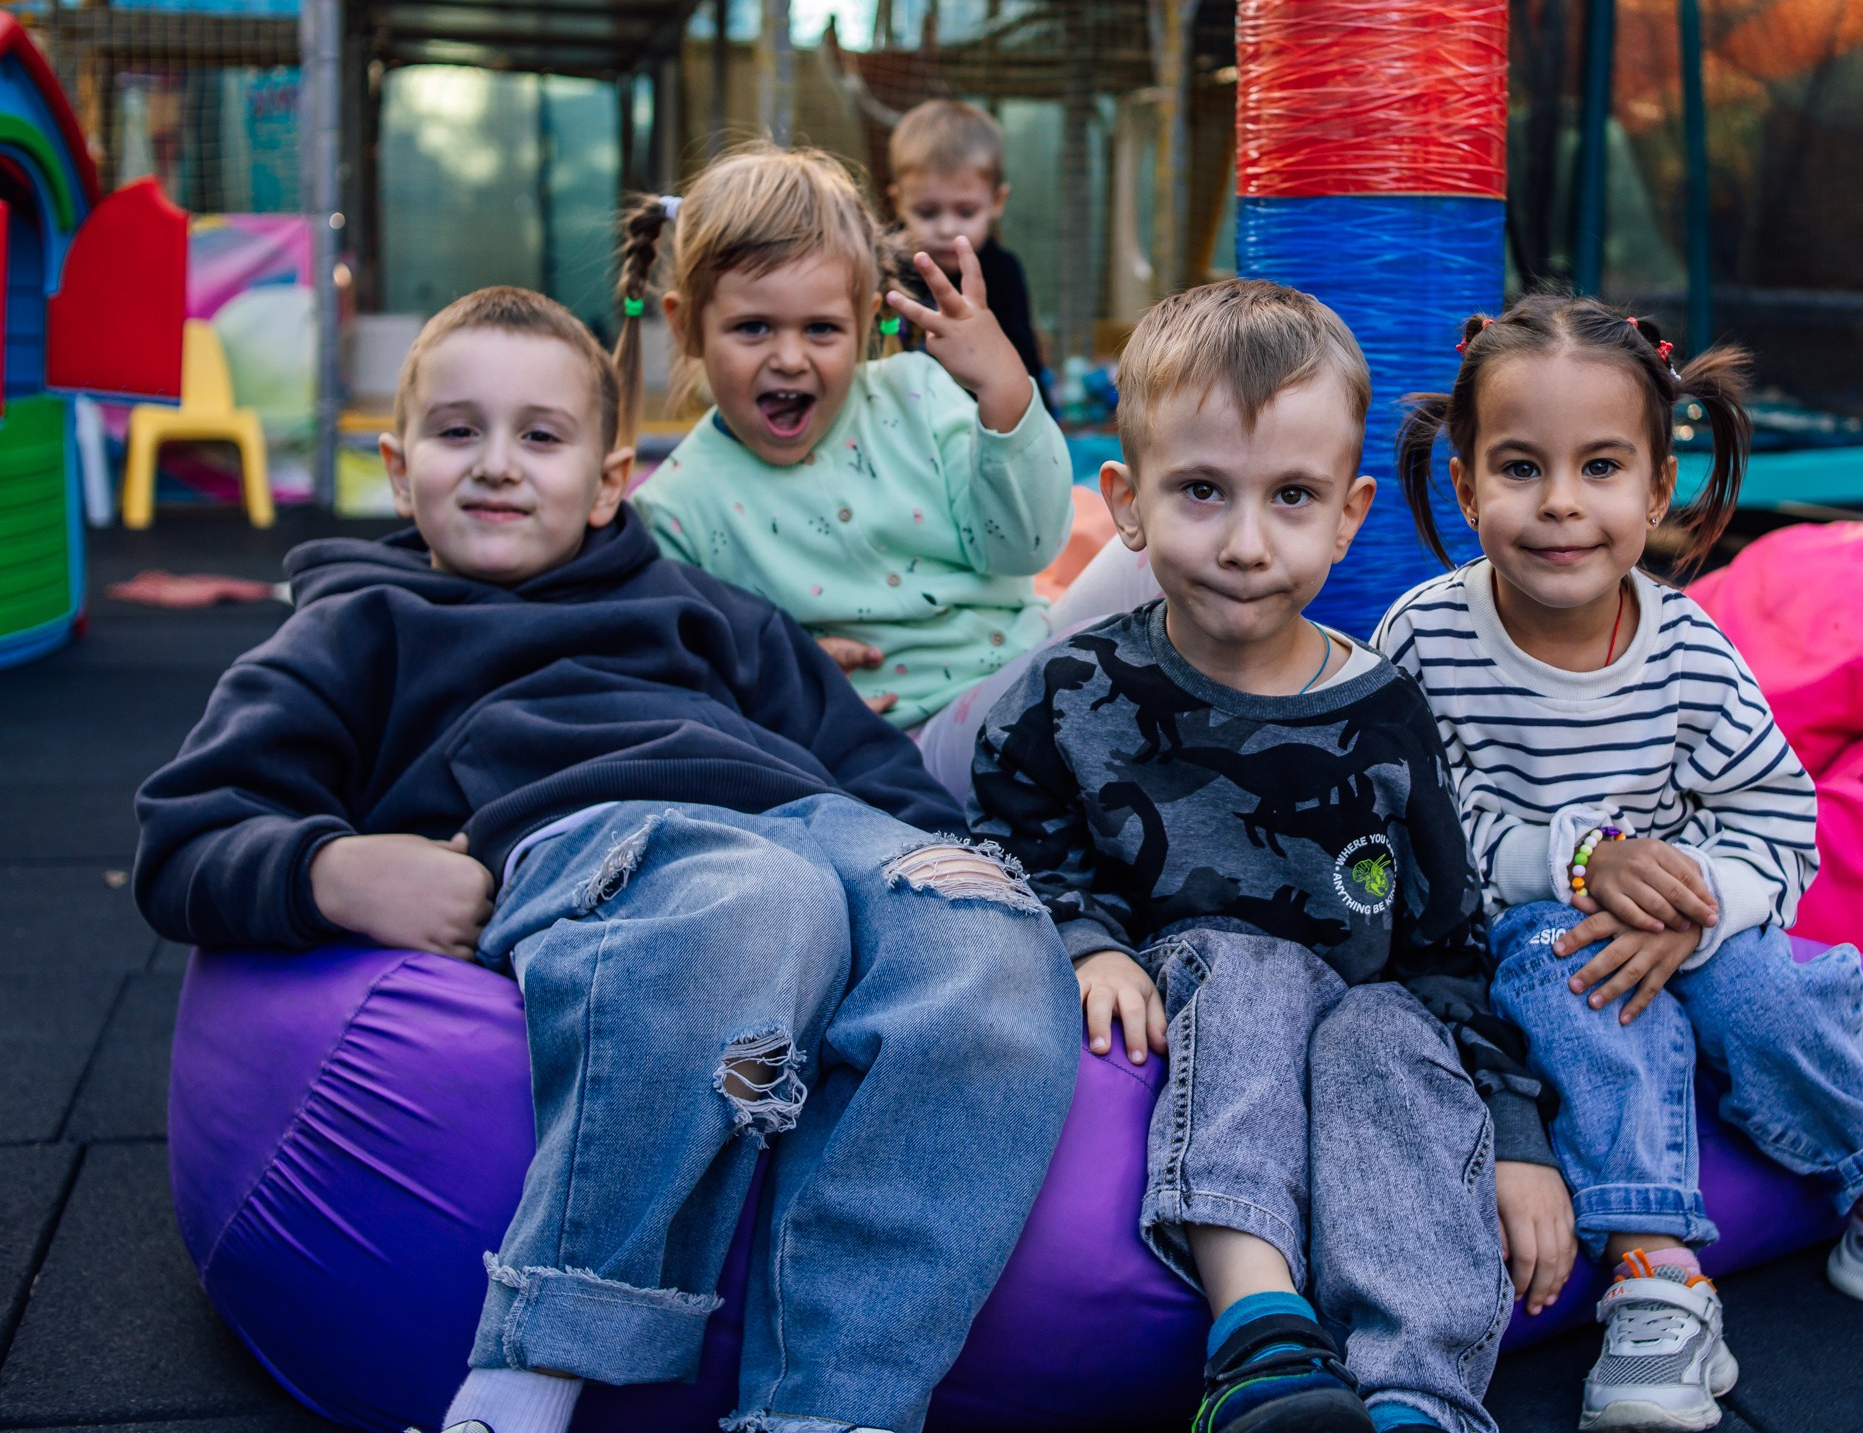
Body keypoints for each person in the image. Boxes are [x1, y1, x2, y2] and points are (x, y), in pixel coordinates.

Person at [132, 287, 1081, 1433]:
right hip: (599, 838)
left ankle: (833, 1407)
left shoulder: (706, 609)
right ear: (395, 467)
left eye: (539, 435)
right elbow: (186, 830)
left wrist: (949, 863)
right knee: (759, 904)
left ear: (610, 478)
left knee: (991, 932)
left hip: (813, 817)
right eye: (454, 432)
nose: (496, 465)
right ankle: (534, 1372)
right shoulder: (360, 623)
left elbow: (867, 761)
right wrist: (337, 870)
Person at [1378, 295, 1863, 1433]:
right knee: (1567, 961)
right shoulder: (1427, 639)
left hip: (1691, 921)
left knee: (1757, 980)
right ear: (1463, 484)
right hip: (1530, 933)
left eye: (1600, 467)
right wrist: (1585, 860)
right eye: (1519, 467)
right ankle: (1656, 1269)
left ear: (1655, 489)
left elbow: (1780, 826)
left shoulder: (1689, 649)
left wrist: (1698, 914)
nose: (1560, 504)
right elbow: (1420, 845)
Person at [971, 280, 1555, 1433]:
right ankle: (1262, 1338)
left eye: (1291, 497)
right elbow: (1007, 840)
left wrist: (1519, 1135)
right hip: (1196, 1017)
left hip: (1362, 1041)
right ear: (1127, 506)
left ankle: (1420, 1401)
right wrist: (1087, 940)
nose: (1245, 543)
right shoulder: (1074, 693)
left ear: (1349, 514)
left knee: (1391, 1030)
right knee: (1251, 965)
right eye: (1201, 492)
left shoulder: (1386, 714)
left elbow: (1446, 945)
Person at [622, 145, 1153, 803]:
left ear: (869, 321)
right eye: (753, 328)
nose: (789, 359)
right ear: (687, 328)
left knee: (1172, 538)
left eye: (821, 330)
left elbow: (1028, 546)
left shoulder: (919, 395)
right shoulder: (677, 507)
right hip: (918, 745)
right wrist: (780, 691)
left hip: (1031, 662)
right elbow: (685, 684)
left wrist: (1005, 391)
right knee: (1096, 670)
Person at [881, 98, 1051, 408]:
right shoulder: (886, 264)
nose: (947, 228)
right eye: (927, 212)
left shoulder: (1001, 271)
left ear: (997, 201)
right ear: (898, 203)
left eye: (966, 211)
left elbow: (1025, 369)